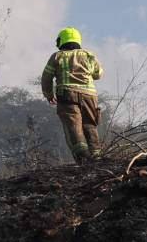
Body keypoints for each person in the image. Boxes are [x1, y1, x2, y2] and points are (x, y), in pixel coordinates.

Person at [41, 27, 104, 162]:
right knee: (90, 126)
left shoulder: (57, 56)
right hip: (90, 96)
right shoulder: (89, 55)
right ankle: (97, 156)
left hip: (67, 95)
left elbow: (46, 77)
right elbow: (98, 74)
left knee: (73, 126)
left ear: (61, 41)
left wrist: (48, 94)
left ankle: (83, 157)